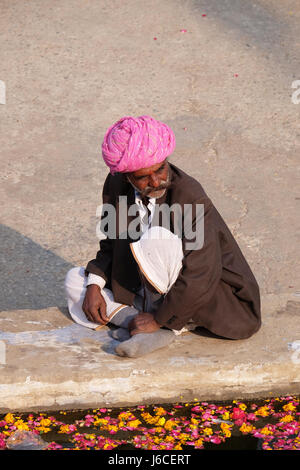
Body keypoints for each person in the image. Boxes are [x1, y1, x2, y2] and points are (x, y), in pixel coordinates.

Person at [64, 115, 261, 357]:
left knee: (156, 239)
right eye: (142, 177)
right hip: (147, 290)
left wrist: (159, 318)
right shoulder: (115, 185)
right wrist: (95, 284)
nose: (156, 181)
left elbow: (201, 272)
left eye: (160, 169)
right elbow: (110, 243)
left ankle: (163, 324)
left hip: (208, 293)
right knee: (75, 280)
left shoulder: (190, 196)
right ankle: (137, 323)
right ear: (126, 176)